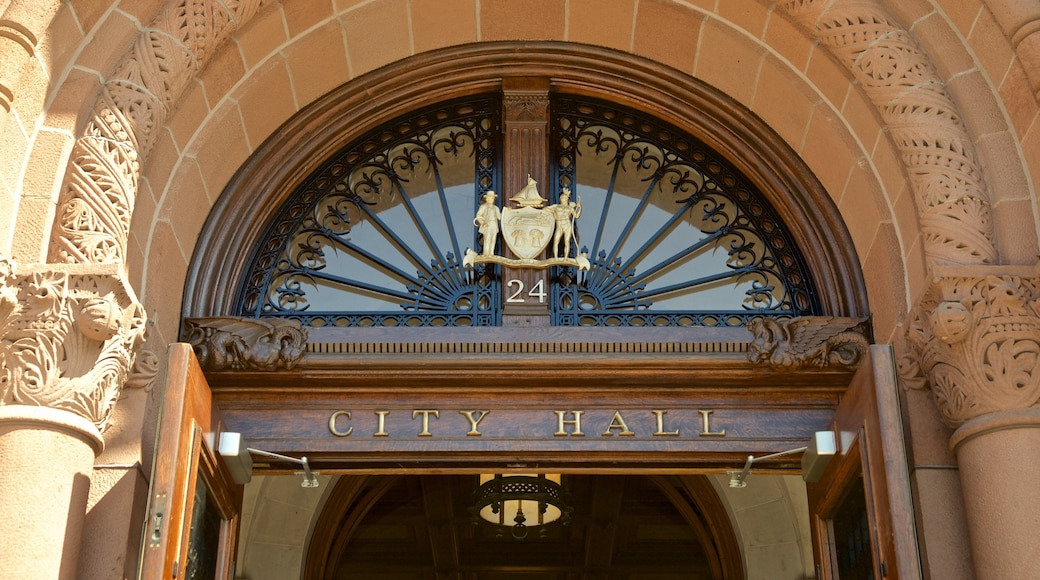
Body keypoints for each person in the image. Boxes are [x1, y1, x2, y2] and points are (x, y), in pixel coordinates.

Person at [548, 188, 581, 258]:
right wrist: (553, 213)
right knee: (556, 241)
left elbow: (576, 216)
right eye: (562, 198)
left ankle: (565, 258)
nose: (563, 199)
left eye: (564, 198)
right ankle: (556, 258)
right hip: (559, 224)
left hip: (567, 224)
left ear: (567, 199)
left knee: (567, 241)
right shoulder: (556, 207)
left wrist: (580, 207)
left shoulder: (570, 208)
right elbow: (546, 209)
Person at [473, 191, 501, 256]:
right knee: (487, 238)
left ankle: (491, 253)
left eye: (492, 198)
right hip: (487, 224)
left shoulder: (496, 208)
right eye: (489, 198)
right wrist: (483, 223)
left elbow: (499, 217)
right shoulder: (483, 207)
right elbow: (478, 215)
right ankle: (486, 252)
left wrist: (506, 212)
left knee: (493, 239)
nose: (490, 199)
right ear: (486, 199)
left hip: (494, 224)